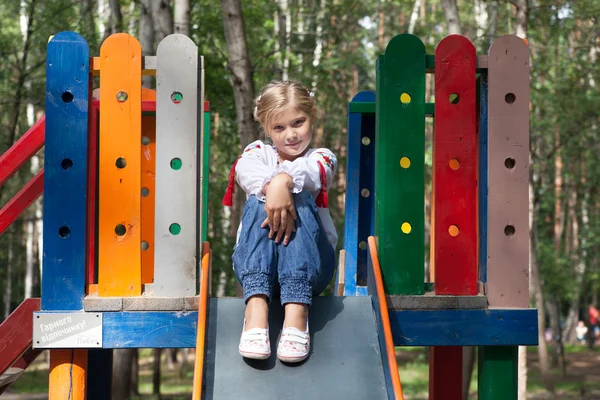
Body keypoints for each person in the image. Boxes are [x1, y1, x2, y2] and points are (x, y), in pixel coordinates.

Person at [222, 81, 338, 363]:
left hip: (312, 270)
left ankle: (297, 312)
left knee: (297, 195)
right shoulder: (256, 154)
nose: (291, 135)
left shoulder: (322, 158)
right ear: (266, 127)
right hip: (256, 269)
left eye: (298, 122)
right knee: (260, 196)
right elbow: (245, 172)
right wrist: (272, 187)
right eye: (279, 128)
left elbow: (310, 174)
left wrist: (283, 182)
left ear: (312, 116)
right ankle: (256, 309)